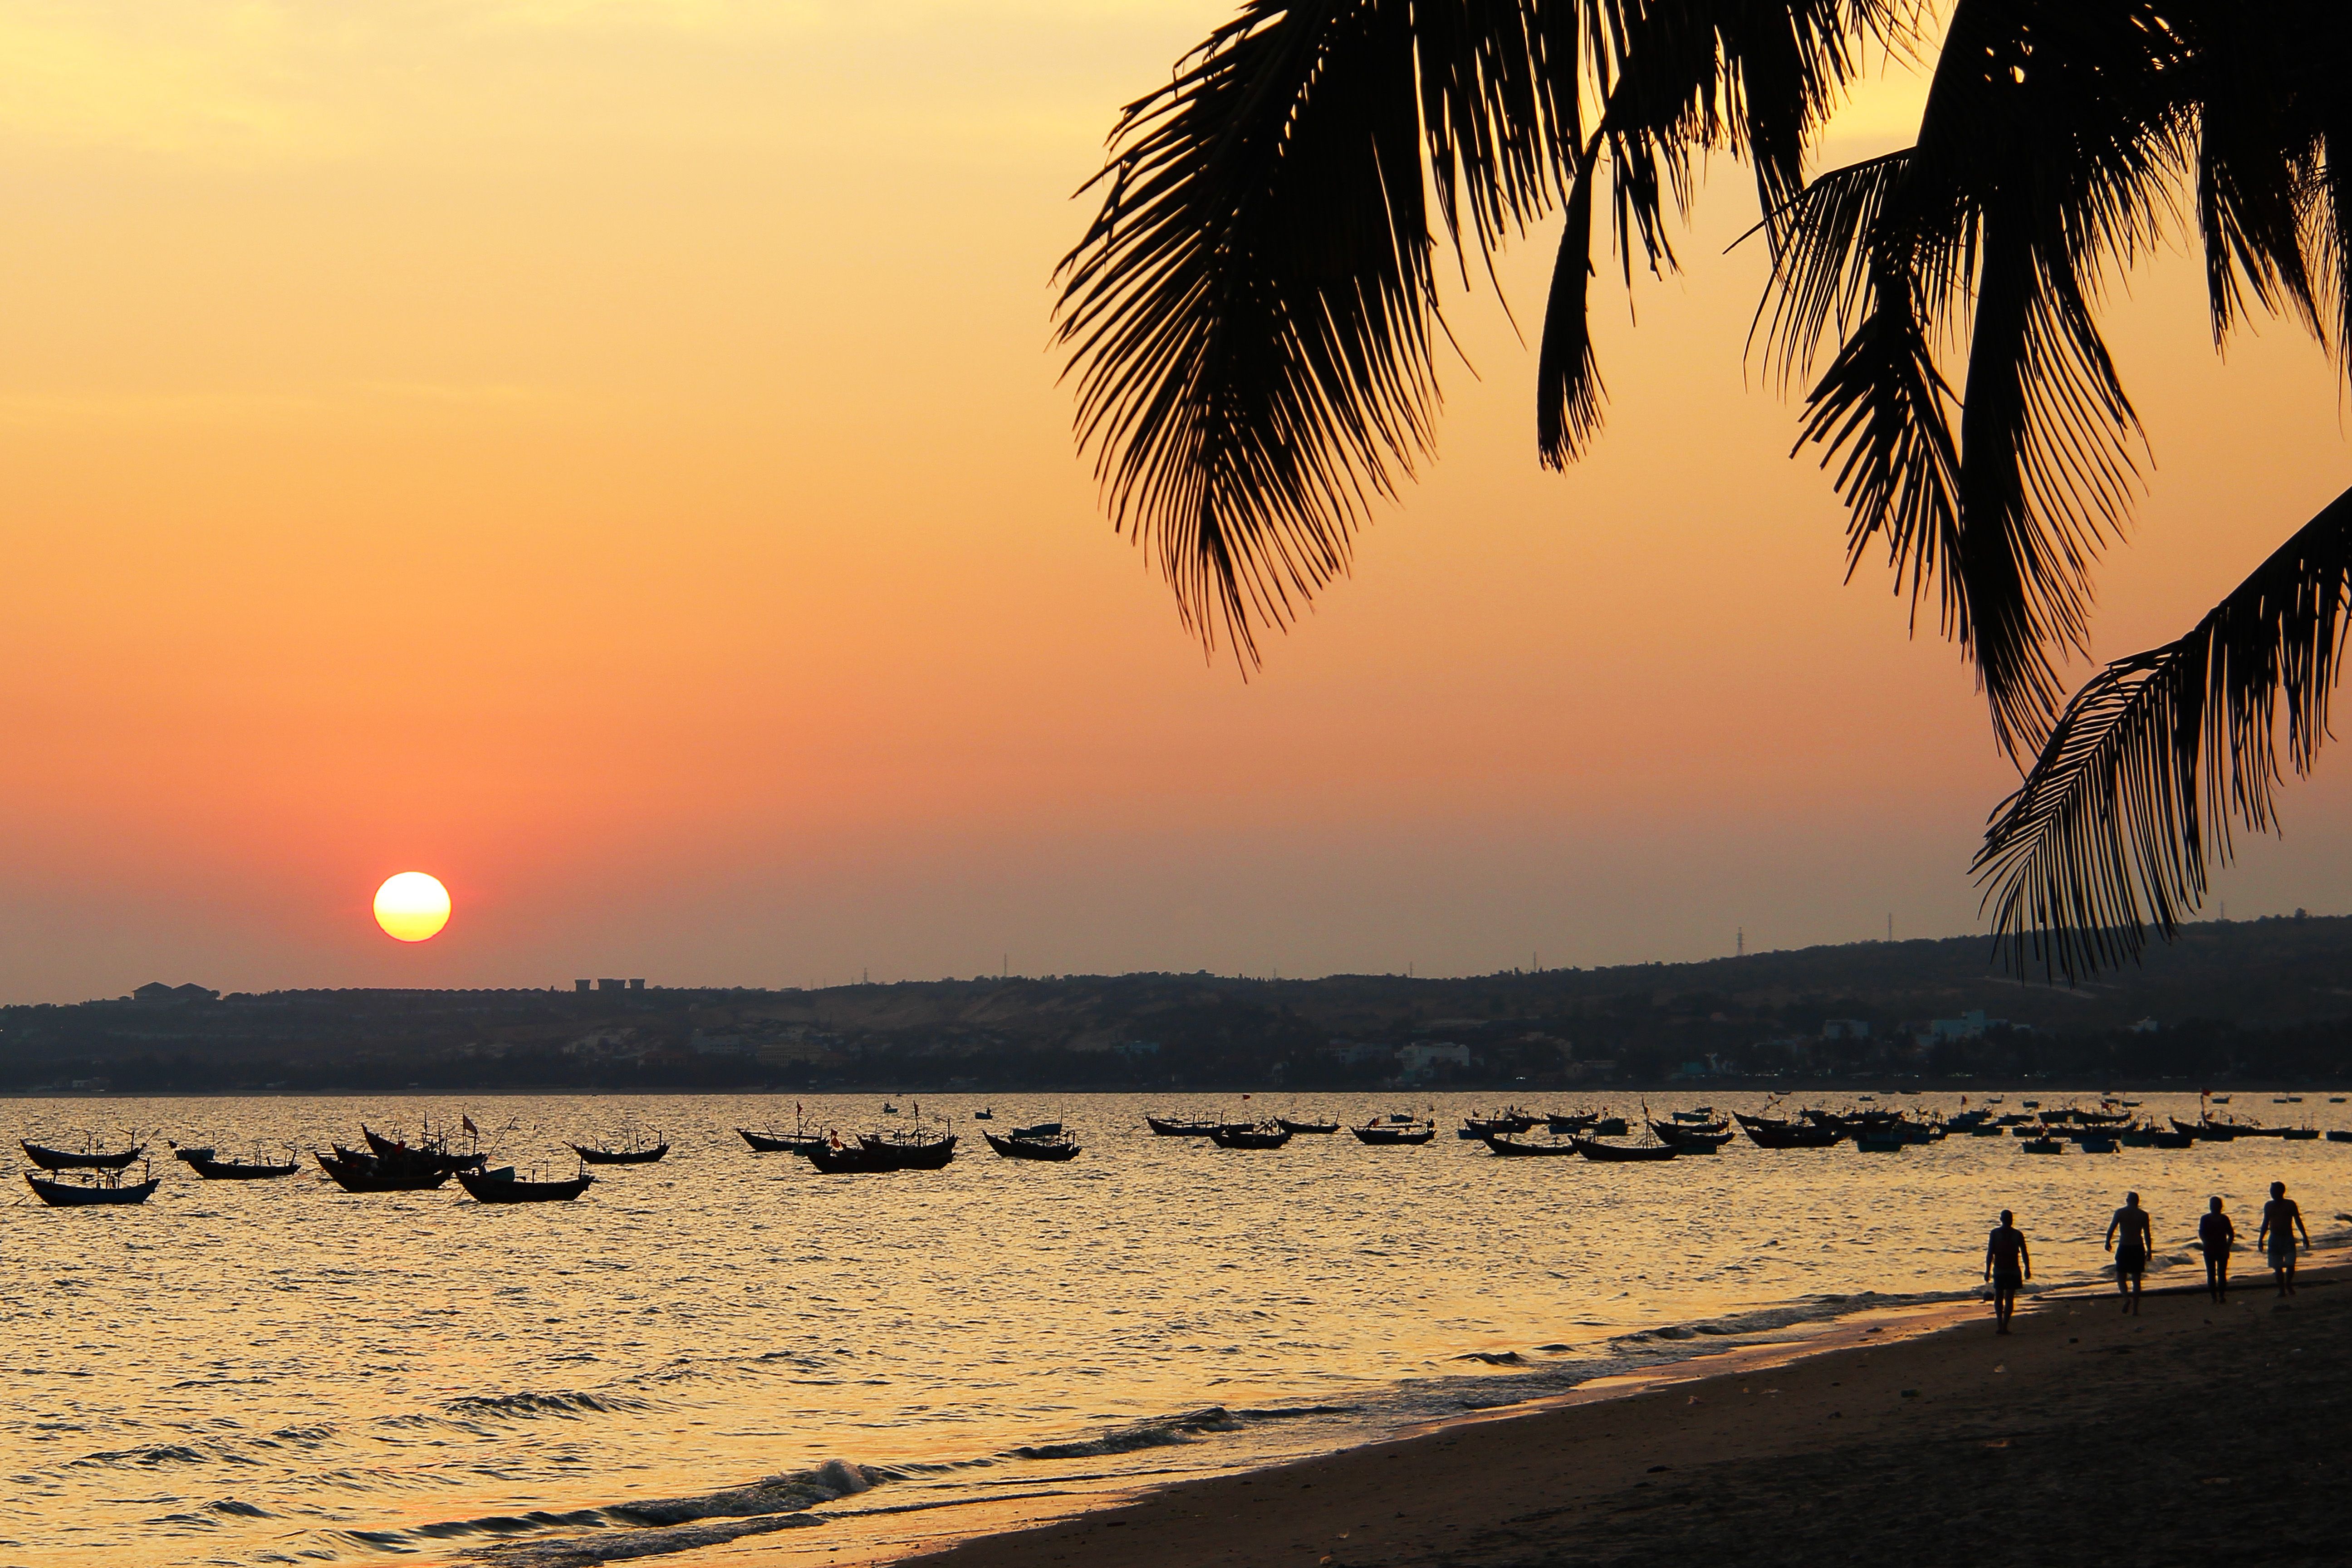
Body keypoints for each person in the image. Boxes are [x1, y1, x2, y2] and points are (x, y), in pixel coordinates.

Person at [2255, 1181, 2311, 1297]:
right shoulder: (2269, 1205)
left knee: (2291, 1263)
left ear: (2282, 1192)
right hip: (2274, 1238)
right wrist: (2261, 1239)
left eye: (2274, 1191)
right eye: (2271, 1192)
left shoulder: (2290, 1204)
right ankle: (2282, 1290)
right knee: (2277, 1266)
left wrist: (2304, 1237)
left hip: (2288, 1237)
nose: (2272, 1194)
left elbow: (2298, 1221)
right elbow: (2266, 1223)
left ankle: (2288, 1283)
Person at [2105, 1193, 2153, 1314]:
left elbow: (2112, 1229)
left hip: (2124, 1247)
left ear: (2127, 1201)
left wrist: (2108, 1242)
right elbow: (2147, 1234)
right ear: (2138, 1201)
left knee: (2121, 1277)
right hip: (2138, 1247)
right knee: (2136, 1280)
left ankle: (2126, 1299)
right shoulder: (2143, 1215)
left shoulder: (2121, 1213)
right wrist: (2149, 1250)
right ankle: (2136, 1310)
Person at [1984, 1210, 2031, 1334]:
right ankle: (2004, 1326)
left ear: (2001, 1219)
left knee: (1999, 1297)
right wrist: (2027, 1268)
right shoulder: (2018, 1234)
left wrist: (1987, 1271)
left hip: (2000, 1270)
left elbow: (1990, 1254)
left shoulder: (1995, 1233)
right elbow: (2024, 1254)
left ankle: (2000, 1324)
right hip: (2013, 1270)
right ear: (2012, 1220)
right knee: (2009, 1298)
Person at [2197, 1197, 2236, 1303]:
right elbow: (2201, 1233)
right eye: (2212, 1204)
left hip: (2221, 1249)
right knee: (2211, 1274)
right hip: (2210, 1250)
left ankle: (2222, 1296)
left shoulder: (2224, 1219)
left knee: (2221, 1274)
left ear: (2220, 1206)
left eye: (2215, 1205)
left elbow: (2231, 1234)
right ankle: (2214, 1297)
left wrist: (2227, 1247)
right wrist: (2206, 1242)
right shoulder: (2205, 1219)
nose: (2213, 1207)